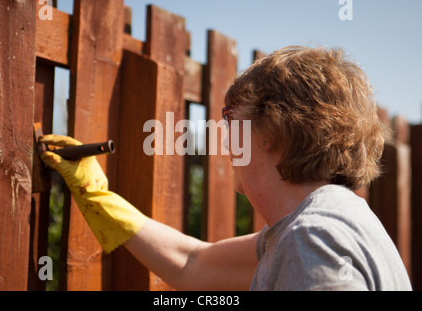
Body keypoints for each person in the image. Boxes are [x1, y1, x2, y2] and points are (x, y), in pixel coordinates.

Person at [40, 46, 412, 291]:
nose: (222, 134)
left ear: (272, 129)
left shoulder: (311, 239)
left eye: (230, 118)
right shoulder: (321, 222)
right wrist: (99, 198)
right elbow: (193, 264)